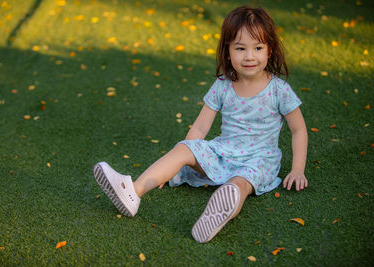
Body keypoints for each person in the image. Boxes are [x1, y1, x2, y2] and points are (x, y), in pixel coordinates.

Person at [93, 6, 308, 243]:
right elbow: (199, 129)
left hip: (259, 160)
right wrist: (181, 161)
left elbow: (298, 130)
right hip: (224, 152)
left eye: (258, 48)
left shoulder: (279, 90)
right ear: (227, 51)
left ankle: (220, 210)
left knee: (239, 186)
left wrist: (297, 169)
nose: (249, 56)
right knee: (184, 148)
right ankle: (134, 191)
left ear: (270, 51)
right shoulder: (223, 85)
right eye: (240, 48)